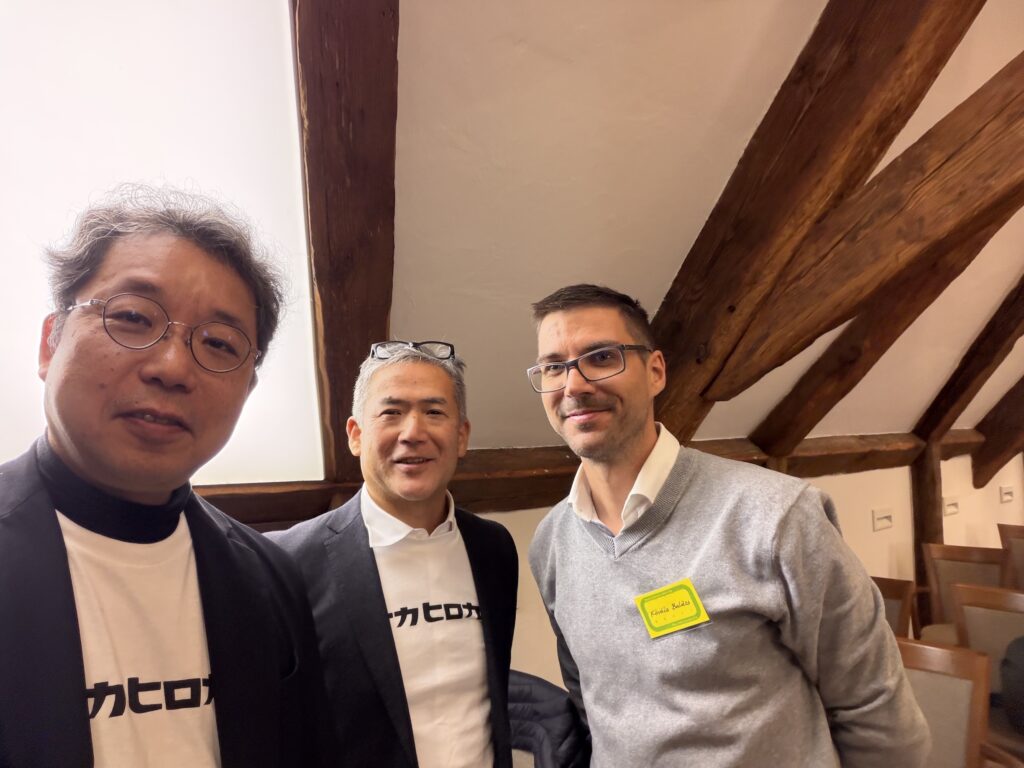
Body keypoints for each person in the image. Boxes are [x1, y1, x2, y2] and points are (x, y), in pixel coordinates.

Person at [526, 284, 930, 767]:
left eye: (601, 357)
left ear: (655, 372)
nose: (573, 385)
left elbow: (877, 711)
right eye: (554, 367)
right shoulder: (552, 542)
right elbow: (591, 702)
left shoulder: (777, 517)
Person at [0, 187, 331, 767]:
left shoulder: (270, 580)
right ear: (50, 342)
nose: (173, 366)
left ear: (247, 388)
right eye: (132, 317)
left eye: (219, 343)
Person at [271, 341, 519, 768]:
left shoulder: (493, 548)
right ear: (356, 435)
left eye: (435, 412)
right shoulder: (290, 562)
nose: (413, 432)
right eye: (391, 412)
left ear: (462, 436)